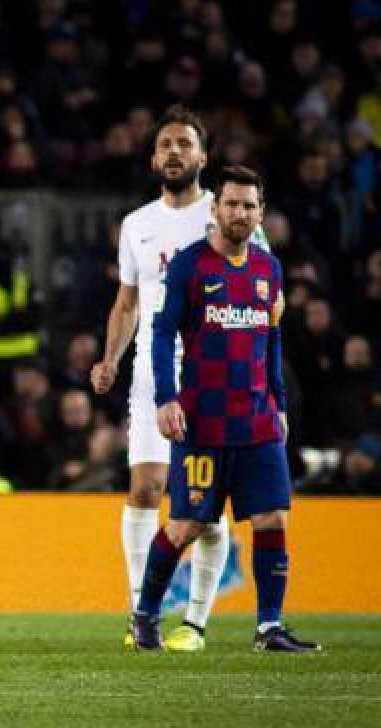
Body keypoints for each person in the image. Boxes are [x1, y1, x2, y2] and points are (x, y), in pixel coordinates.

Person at [91, 106, 261, 652]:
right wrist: (110, 358)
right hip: (151, 370)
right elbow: (127, 301)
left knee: (205, 506)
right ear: (152, 157)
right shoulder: (137, 225)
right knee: (145, 487)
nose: (173, 152)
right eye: (165, 144)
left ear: (202, 157)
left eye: (184, 144)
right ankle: (140, 613)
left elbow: (261, 289)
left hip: (216, 372)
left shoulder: (229, 213)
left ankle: (195, 622)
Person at [130, 166, 320, 653]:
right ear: (215, 210)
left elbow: (272, 339)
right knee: (186, 526)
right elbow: (160, 334)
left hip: (257, 419)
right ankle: (145, 614)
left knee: (273, 519)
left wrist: (278, 401)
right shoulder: (190, 266)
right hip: (204, 420)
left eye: (249, 205)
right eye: (232, 204)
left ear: (261, 213)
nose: (240, 213)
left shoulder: (268, 269)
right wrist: (166, 399)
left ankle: (269, 628)